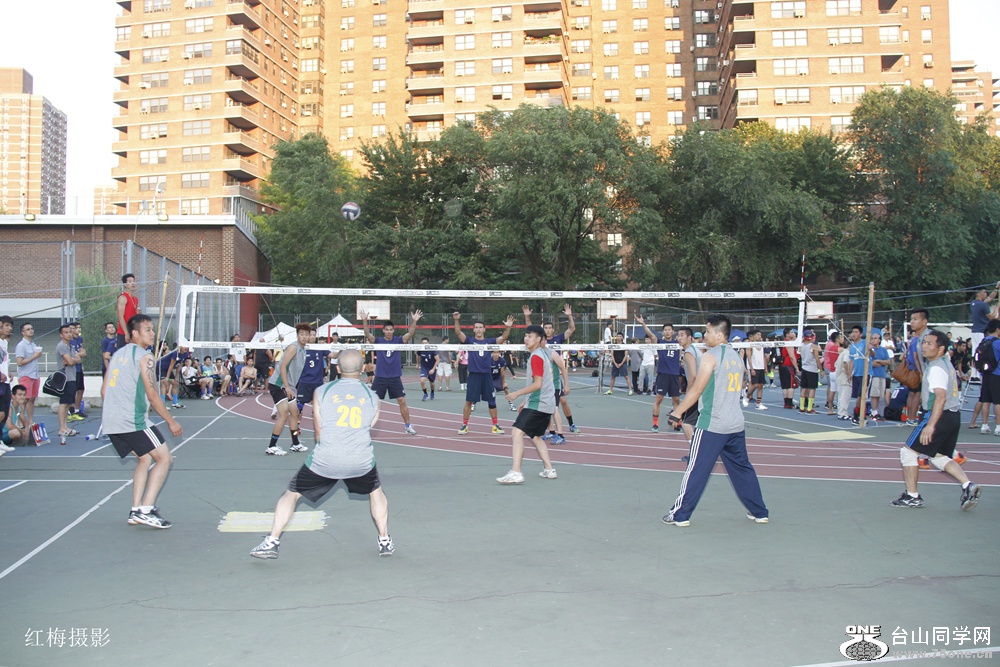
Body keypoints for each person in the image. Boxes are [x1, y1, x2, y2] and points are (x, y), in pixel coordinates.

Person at [250, 350, 394, 559]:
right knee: (376, 492)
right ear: (363, 369)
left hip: (326, 459)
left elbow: (318, 431)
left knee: (291, 495)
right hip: (360, 459)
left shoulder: (322, 391)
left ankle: (272, 541)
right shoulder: (373, 397)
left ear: (338, 368)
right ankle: (385, 540)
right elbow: (368, 426)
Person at [662, 315, 769, 527]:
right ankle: (759, 511)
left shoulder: (710, 357)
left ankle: (680, 515)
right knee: (742, 468)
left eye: (709, 332)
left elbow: (697, 389)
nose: (705, 335)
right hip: (735, 424)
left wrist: (677, 412)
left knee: (696, 469)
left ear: (719, 335)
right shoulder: (736, 357)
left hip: (712, 424)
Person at [102, 314, 183, 528]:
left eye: (153, 329)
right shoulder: (145, 357)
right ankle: (146, 510)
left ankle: (135, 509)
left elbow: (104, 391)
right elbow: (153, 395)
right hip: (132, 420)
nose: (152, 333)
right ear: (135, 333)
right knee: (164, 458)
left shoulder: (117, 354)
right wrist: (171, 421)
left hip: (111, 420)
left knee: (145, 458)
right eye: (148, 330)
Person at [890, 330, 981, 511]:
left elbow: (940, 397)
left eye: (929, 343)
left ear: (941, 349)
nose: (924, 346)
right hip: (952, 416)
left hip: (937, 415)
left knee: (908, 453)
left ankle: (912, 496)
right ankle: (968, 485)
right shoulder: (946, 363)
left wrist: (930, 425)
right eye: (924, 342)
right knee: (938, 456)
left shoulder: (936, 369)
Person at [496, 325, 558, 484]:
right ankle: (549, 469)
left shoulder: (536, 357)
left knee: (516, 432)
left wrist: (517, 394)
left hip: (539, 404)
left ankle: (516, 472)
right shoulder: (542, 354)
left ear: (538, 339)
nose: (526, 339)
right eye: (526, 335)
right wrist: (526, 401)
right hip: (545, 403)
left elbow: (538, 384)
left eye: (530, 336)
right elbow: (543, 384)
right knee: (536, 436)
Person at [453, 311, 514, 435]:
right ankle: (464, 425)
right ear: (474, 330)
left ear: (484, 329)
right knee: (469, 401)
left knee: (492, 401)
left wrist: (508, 327)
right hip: (474, 375)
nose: (478, 329)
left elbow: (503, 338)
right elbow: (458, 333)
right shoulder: (470, 341)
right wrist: (456, 320)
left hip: (487, 375)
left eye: (480, 327)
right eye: (476, 327)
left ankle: (495, 425)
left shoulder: (489, 341)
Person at [361, 310, 422, 435]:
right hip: (380, 377)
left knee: (402, 401)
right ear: (383, 331)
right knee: (373, 402)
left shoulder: (398, 340)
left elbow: (410, 334)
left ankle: (408, 426)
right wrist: (365, 321)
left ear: (393, 331)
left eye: (391, 330)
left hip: (394, 377)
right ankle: (364, 427)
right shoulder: (378, 341)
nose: (389, 332)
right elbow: (368, 334)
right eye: (387, 330)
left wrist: (414, 321)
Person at [523, 305, 580, 432]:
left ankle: (571, 424)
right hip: (542, 378)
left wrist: (569, 316)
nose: (548, 330)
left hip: (554, 377)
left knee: (562, 401)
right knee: (548, 404)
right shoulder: (538, 342)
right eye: (546, 328)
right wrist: (527, 317)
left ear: (553, 329)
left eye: (550, 328)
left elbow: (571, 329)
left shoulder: (557, 339)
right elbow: (530, 330)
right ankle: (551, 430)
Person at [265, 323, 312, 456]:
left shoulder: (304, 350)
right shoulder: (293, 348)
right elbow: (283, 366)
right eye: (301, 334)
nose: (304, 337)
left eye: (306, 334)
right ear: (297, 335)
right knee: (284, 414)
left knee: (295, 413)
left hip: (289, 386)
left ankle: (295, 443)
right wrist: (286, 386)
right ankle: (272, 446)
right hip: (279, 384)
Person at [636, 314, 681, 432]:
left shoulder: (678, 343)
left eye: (669, 330)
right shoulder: (659, 342)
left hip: (674, 375)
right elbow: (651, 335)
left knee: (676, 400)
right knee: (659, 399)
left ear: (673, 332)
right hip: (663, 374)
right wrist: (643, 324)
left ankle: (677, 423)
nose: (667, 332)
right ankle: (655, 424)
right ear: (663, 332)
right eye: (665, 330)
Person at [969, 319, 1000, 435]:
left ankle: (984, 425)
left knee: (986, 400)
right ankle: (998, 427)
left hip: (985, 374)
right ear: (998, 329)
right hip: (997, 374)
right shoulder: (997, 342)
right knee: (998, 402)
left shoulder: (984, 341)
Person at [55, 324, 83, 440]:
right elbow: (71, 362)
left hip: (72, 377)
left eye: (70, 332)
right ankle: (61, 428)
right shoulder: (61, 346)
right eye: (66, 332)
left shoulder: (70, 346)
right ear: (61, 335)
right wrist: (72, 360)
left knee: (68, 403)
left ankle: (65, 427)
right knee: (64, 403)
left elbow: (78, 359)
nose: (69, 334)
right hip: (65, 378)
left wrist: (73, 359)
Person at [675, 327, 702, 448]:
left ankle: (694, 450)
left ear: (689, 337)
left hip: (697, 392)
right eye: (678, 335)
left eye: (682, 335)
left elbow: (693, 376)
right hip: (704, 391)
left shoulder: (689, 353)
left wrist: (689, 395)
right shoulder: (695, 350)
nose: (679, 338)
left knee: (686, 423)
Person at [14, 322, 43, 430]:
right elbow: (19, 362)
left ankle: (30, 422)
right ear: (23, 332)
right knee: (23, 399)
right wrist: (34, 356)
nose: (30, 331)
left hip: (35, 375)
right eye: (27, 329)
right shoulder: (21, 345)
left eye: (31, 328)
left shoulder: (33, 344)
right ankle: (20, 422)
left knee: (31, 399)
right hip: (26, 375)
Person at [902, 309, 930, 424]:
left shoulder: (927, 337)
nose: (912, 322)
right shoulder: (916, 340)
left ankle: (911, 417)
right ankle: (912, 417)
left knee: (914, 394)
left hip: (919, 371)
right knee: (916, 394)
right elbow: (915, 356)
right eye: (911, 319)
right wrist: (921, 373)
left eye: (915, 319)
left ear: (924, 321)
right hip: (917, 371)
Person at [295, 327, 331, 414]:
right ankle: (297, 422)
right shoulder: (301, 348)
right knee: (299, 407)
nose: (312, 337)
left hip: (317, 382)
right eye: (310, 335)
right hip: (304, 381)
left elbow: (332, 355)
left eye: (314, 335)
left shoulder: (320, 347)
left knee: (318, 408)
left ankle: (316, 417)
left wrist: (341, 351)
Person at [969, 283, 1000, 381]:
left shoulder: (974, 303)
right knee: (981, 352)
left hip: (975, 331)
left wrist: (996, 288)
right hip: (981, 331)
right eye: (984, 292)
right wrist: (997, 307)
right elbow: (992, 317)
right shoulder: (983, 305)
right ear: (979, 293)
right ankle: (977, 375)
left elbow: (990, 298)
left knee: (975, 351)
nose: (986, 294)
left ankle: (974, 374)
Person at [868, 332, 891, 420]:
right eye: (872, 338)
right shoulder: (870, 350)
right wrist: (881, 362)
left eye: (875, 338)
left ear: (879, 340)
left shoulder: (883, 350)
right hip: (874, 375)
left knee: (880, 395)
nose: (873, 340)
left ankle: (877, 411)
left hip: (882, 374)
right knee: (874, 394)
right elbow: (872, 363)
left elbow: (888, 362)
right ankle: (874, 412)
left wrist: (879, 361)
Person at [797, 329, 821, 414]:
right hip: (812, 369)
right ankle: (809, 408)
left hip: (804, 368)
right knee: (812, 388)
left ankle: (802, 407)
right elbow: (817, 359)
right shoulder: (812, 346)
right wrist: (821, 370)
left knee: (803, 388)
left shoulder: (801, 346)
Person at [115, 273, 141, 349]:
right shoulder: (123, 297)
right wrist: (126, 333)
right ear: (125, 284)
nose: (132, 283)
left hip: (133, 331)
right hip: (123, 332)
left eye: (133, 281)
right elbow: (120, 316)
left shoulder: (135, 299)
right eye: (130, 282)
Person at [2, 384, 30, 450]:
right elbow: (10, 426)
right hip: (3, 433)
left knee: (29, 430)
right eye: (20, 395)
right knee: (15, 433)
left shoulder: (19, 407)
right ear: (13, 396)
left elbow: (24, 421)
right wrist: (21, 431)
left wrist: (26, 429)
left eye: (24, 395)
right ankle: (9, 443)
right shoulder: (9, 407)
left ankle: (16, 441)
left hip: (8, 432)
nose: (22, 397)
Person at [777, 328, 799, 409]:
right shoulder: (789, 343)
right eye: (792, 332)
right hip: (788, 366)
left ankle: (786, 403)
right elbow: (792, 356)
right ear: (787, 334)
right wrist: (796, 367)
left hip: (782, 365)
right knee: (790, 385)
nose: (794, 333)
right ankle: (790, 403)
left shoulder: (783, 342)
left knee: (785, 386)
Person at [746, 330, 768, 410]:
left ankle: (758, 403)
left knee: (760, 385)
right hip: (754, 367)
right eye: (758, 335)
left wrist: (765, 367)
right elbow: (749, 358)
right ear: (754, 336)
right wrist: (751, 369)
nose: (759, 336)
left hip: (761, 367)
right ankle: (747, 395)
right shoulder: (750, 345)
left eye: (760, 335)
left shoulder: (761, 345)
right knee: (755, 385)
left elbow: (763, 356)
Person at [822, 331, 841, 414]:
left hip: (831, 370)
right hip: (836, 370)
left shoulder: (829, 346)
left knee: (832, 389)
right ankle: (841, 409)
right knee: (840, 391)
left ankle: (830, 408)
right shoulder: (837, 348)